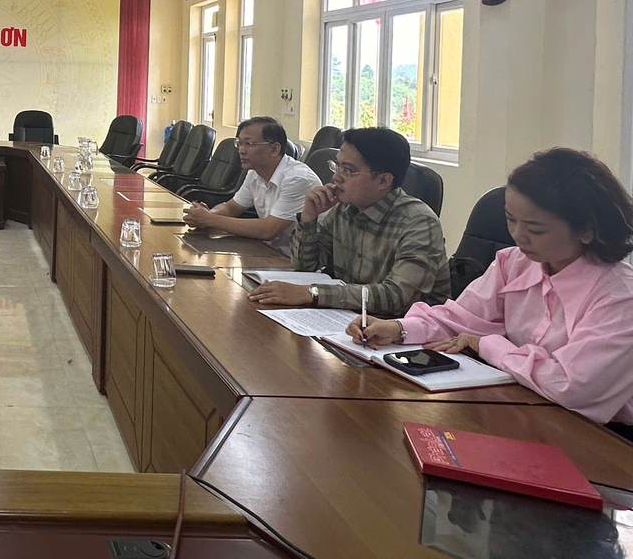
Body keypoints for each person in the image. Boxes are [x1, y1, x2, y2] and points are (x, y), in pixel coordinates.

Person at [350, 148, 633, 430]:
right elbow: (460, 318)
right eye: (510, 219)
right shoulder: (514, 263)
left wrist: (486, 344)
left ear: (586, 230)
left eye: (535, 229)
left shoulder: (620, 297)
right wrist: (399, 329)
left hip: (602, 434)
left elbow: (572, 386)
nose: (518, 235)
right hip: (526, 404)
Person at [249, 126, 449, 316]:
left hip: (404, 329)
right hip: (351, 317)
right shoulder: (344, 208)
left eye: (347, 170)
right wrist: (308, 217)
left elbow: (397, 297)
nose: (336, 177)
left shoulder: (419, 223)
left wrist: (312, 293)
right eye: (336, 166)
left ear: (383, 181)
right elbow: (305, 267)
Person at [182, 117, 321, 257]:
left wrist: (210, 219)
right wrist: (206, 215)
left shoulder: (298, 179)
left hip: (296, 260)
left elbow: (268, 230)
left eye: (249, 144)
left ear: (274, 149)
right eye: (239, 143)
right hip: (266, 251)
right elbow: (231, 208)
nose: (241, 150)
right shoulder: (254, 173)